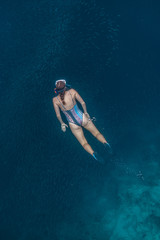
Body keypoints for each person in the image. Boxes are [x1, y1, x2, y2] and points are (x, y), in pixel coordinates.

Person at [52, 79, 111, 162]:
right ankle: (106, 143)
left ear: (57, 90)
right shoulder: (72, 91)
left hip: (72, 123)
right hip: (82, 117)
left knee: (84, 143)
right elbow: (83, 103)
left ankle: (93, 154)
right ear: (65, 87)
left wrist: (62, 124)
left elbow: (58, 115)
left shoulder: (55, 100)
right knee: (97, 133)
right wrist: (86, 112)